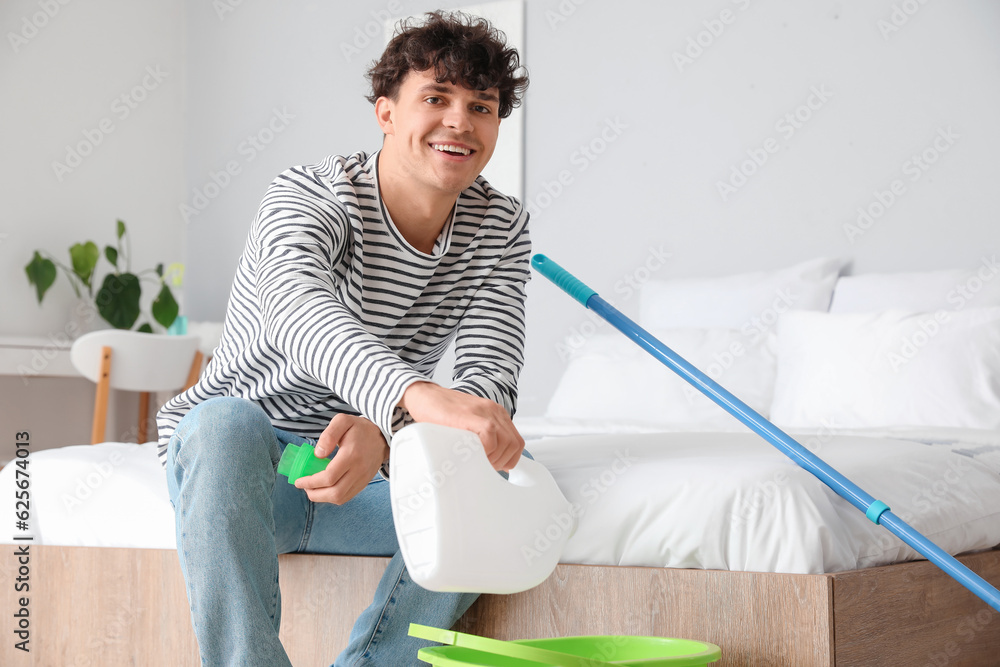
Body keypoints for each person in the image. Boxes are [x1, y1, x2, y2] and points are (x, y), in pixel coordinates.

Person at [156, 10, 531, 666]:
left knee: (492, 483)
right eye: (435, 98)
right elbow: (295, 310)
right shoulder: (308, 194)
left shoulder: (500, 224)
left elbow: (488, 379)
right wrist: (410, 395)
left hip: (367, 471)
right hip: (253, 463)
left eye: (483, 106)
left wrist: (388, 434)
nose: (459, 122)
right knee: (223, 424)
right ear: (386, 113)